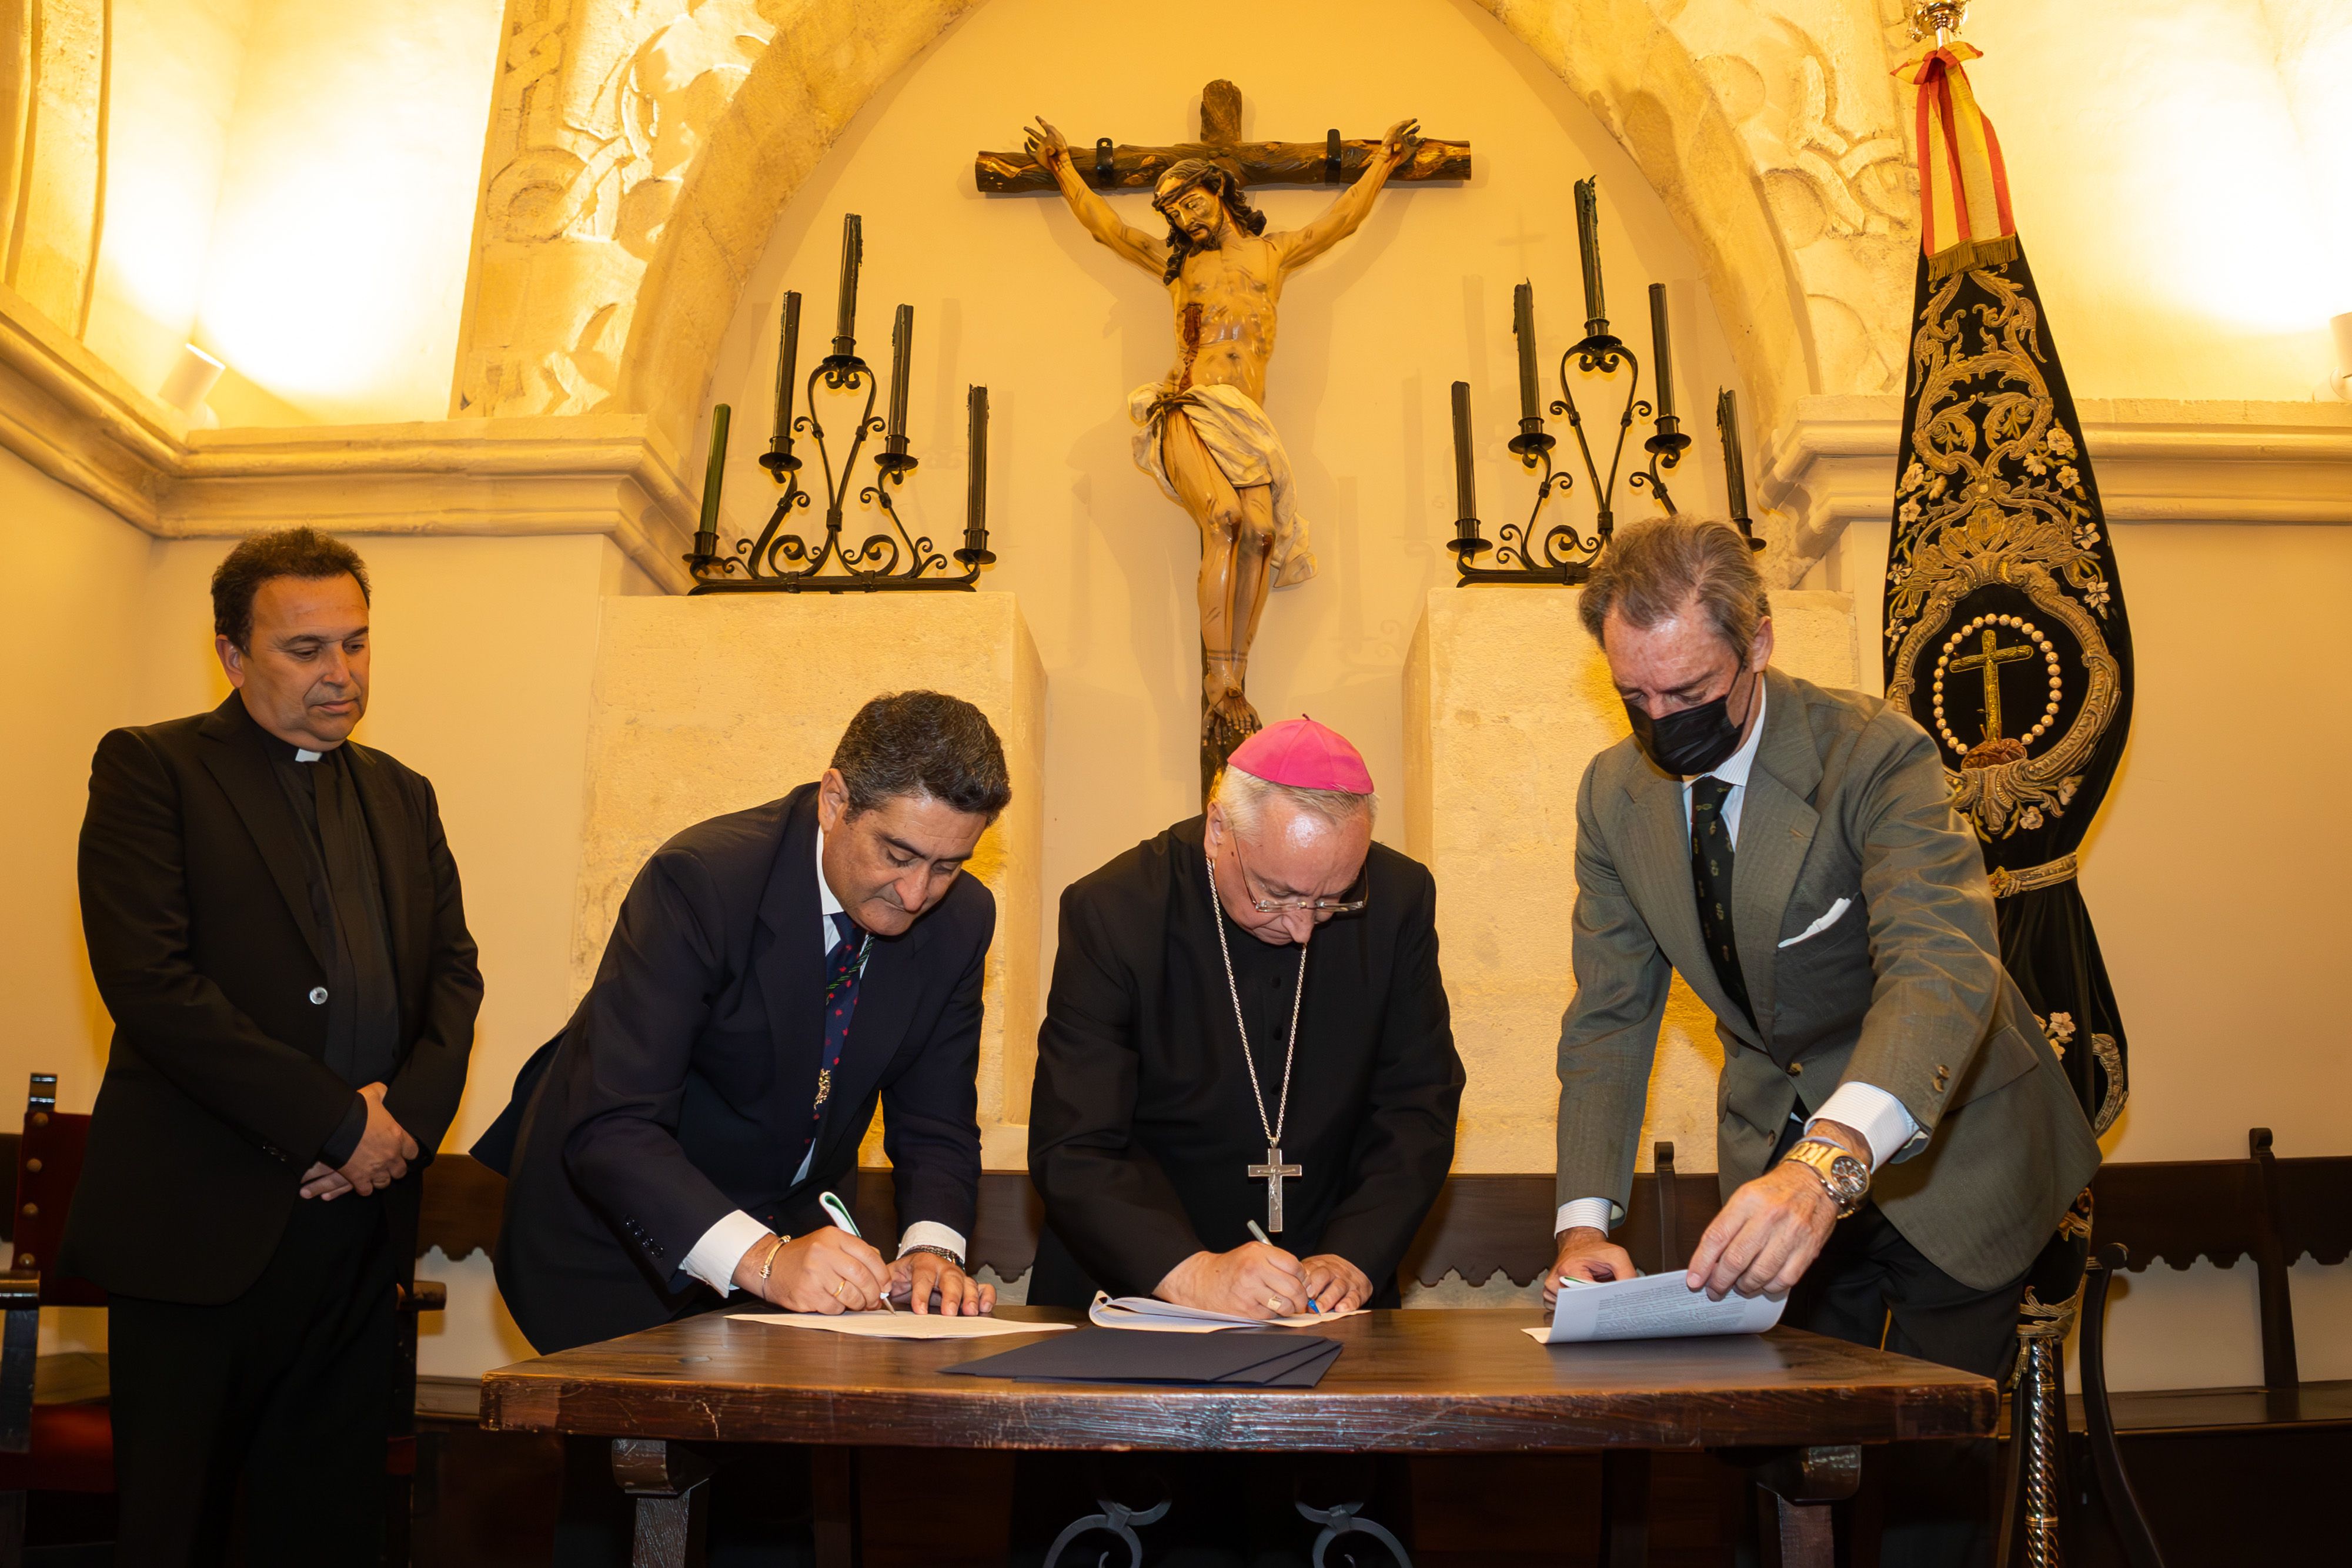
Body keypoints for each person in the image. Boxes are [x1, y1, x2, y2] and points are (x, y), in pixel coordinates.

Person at [1549, 515, 2101, 1565]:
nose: (1662, 722)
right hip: (1777, 1154)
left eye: (1691, 693)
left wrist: (1828, 1164)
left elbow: (1942, 963)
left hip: (1954, 1147)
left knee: (1926, 1470)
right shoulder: (1612, 798)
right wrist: (1584, 1224)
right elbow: (1610, 1013)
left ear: (1757, 641)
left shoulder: (1872, 753)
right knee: (1778, 1445)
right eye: (1636, 697)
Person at [69, 527, 482, 1566]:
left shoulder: (403, 792)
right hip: (202, 1231)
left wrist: (395, 1135)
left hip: (354, 1241)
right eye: (306, 649)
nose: (340, 674)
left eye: (356, 643)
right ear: (232, 651)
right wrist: (339, 1122)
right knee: (179, 1531)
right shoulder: (152, 767)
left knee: (328, 1527)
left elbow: (453, 980)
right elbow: (155, 989)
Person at [479, 690, 1011, 1353]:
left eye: (947, 867)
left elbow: (935, 1118)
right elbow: (614, 1124)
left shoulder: (962, 921)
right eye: (897, 855)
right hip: (619, 1240)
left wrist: (934, 1251)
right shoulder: (703, 881)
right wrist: (762, 1259)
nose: (915, 895)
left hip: (793, 1239)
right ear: (835, 800)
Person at [1030, 717, 1464, 1317]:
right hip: (1141, 1287)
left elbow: (1419, 1102)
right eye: (1276, 894)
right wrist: (1193, 1274)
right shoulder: (1115, 911)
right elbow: (1074, 1143)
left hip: (1322, 1300)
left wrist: (1354, 1256)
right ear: (1217, 831)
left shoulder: (1399, 899)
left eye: (1334, 897)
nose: (1303, 926)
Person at [1023, 113, 1419, 753]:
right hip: (1189, 405)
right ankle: (1217, 680)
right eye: (1171, 209)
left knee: (1262, 532)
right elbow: (1110, 230)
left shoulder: (1272, 253)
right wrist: (1063, 168)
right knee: (1224, 520)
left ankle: (1234, 675)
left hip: (1249, 419)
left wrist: (1383, 163)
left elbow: (1340, 221)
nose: (1181, 217)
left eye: (1188, 200)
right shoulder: (1176, 266)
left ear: (1219, 190)